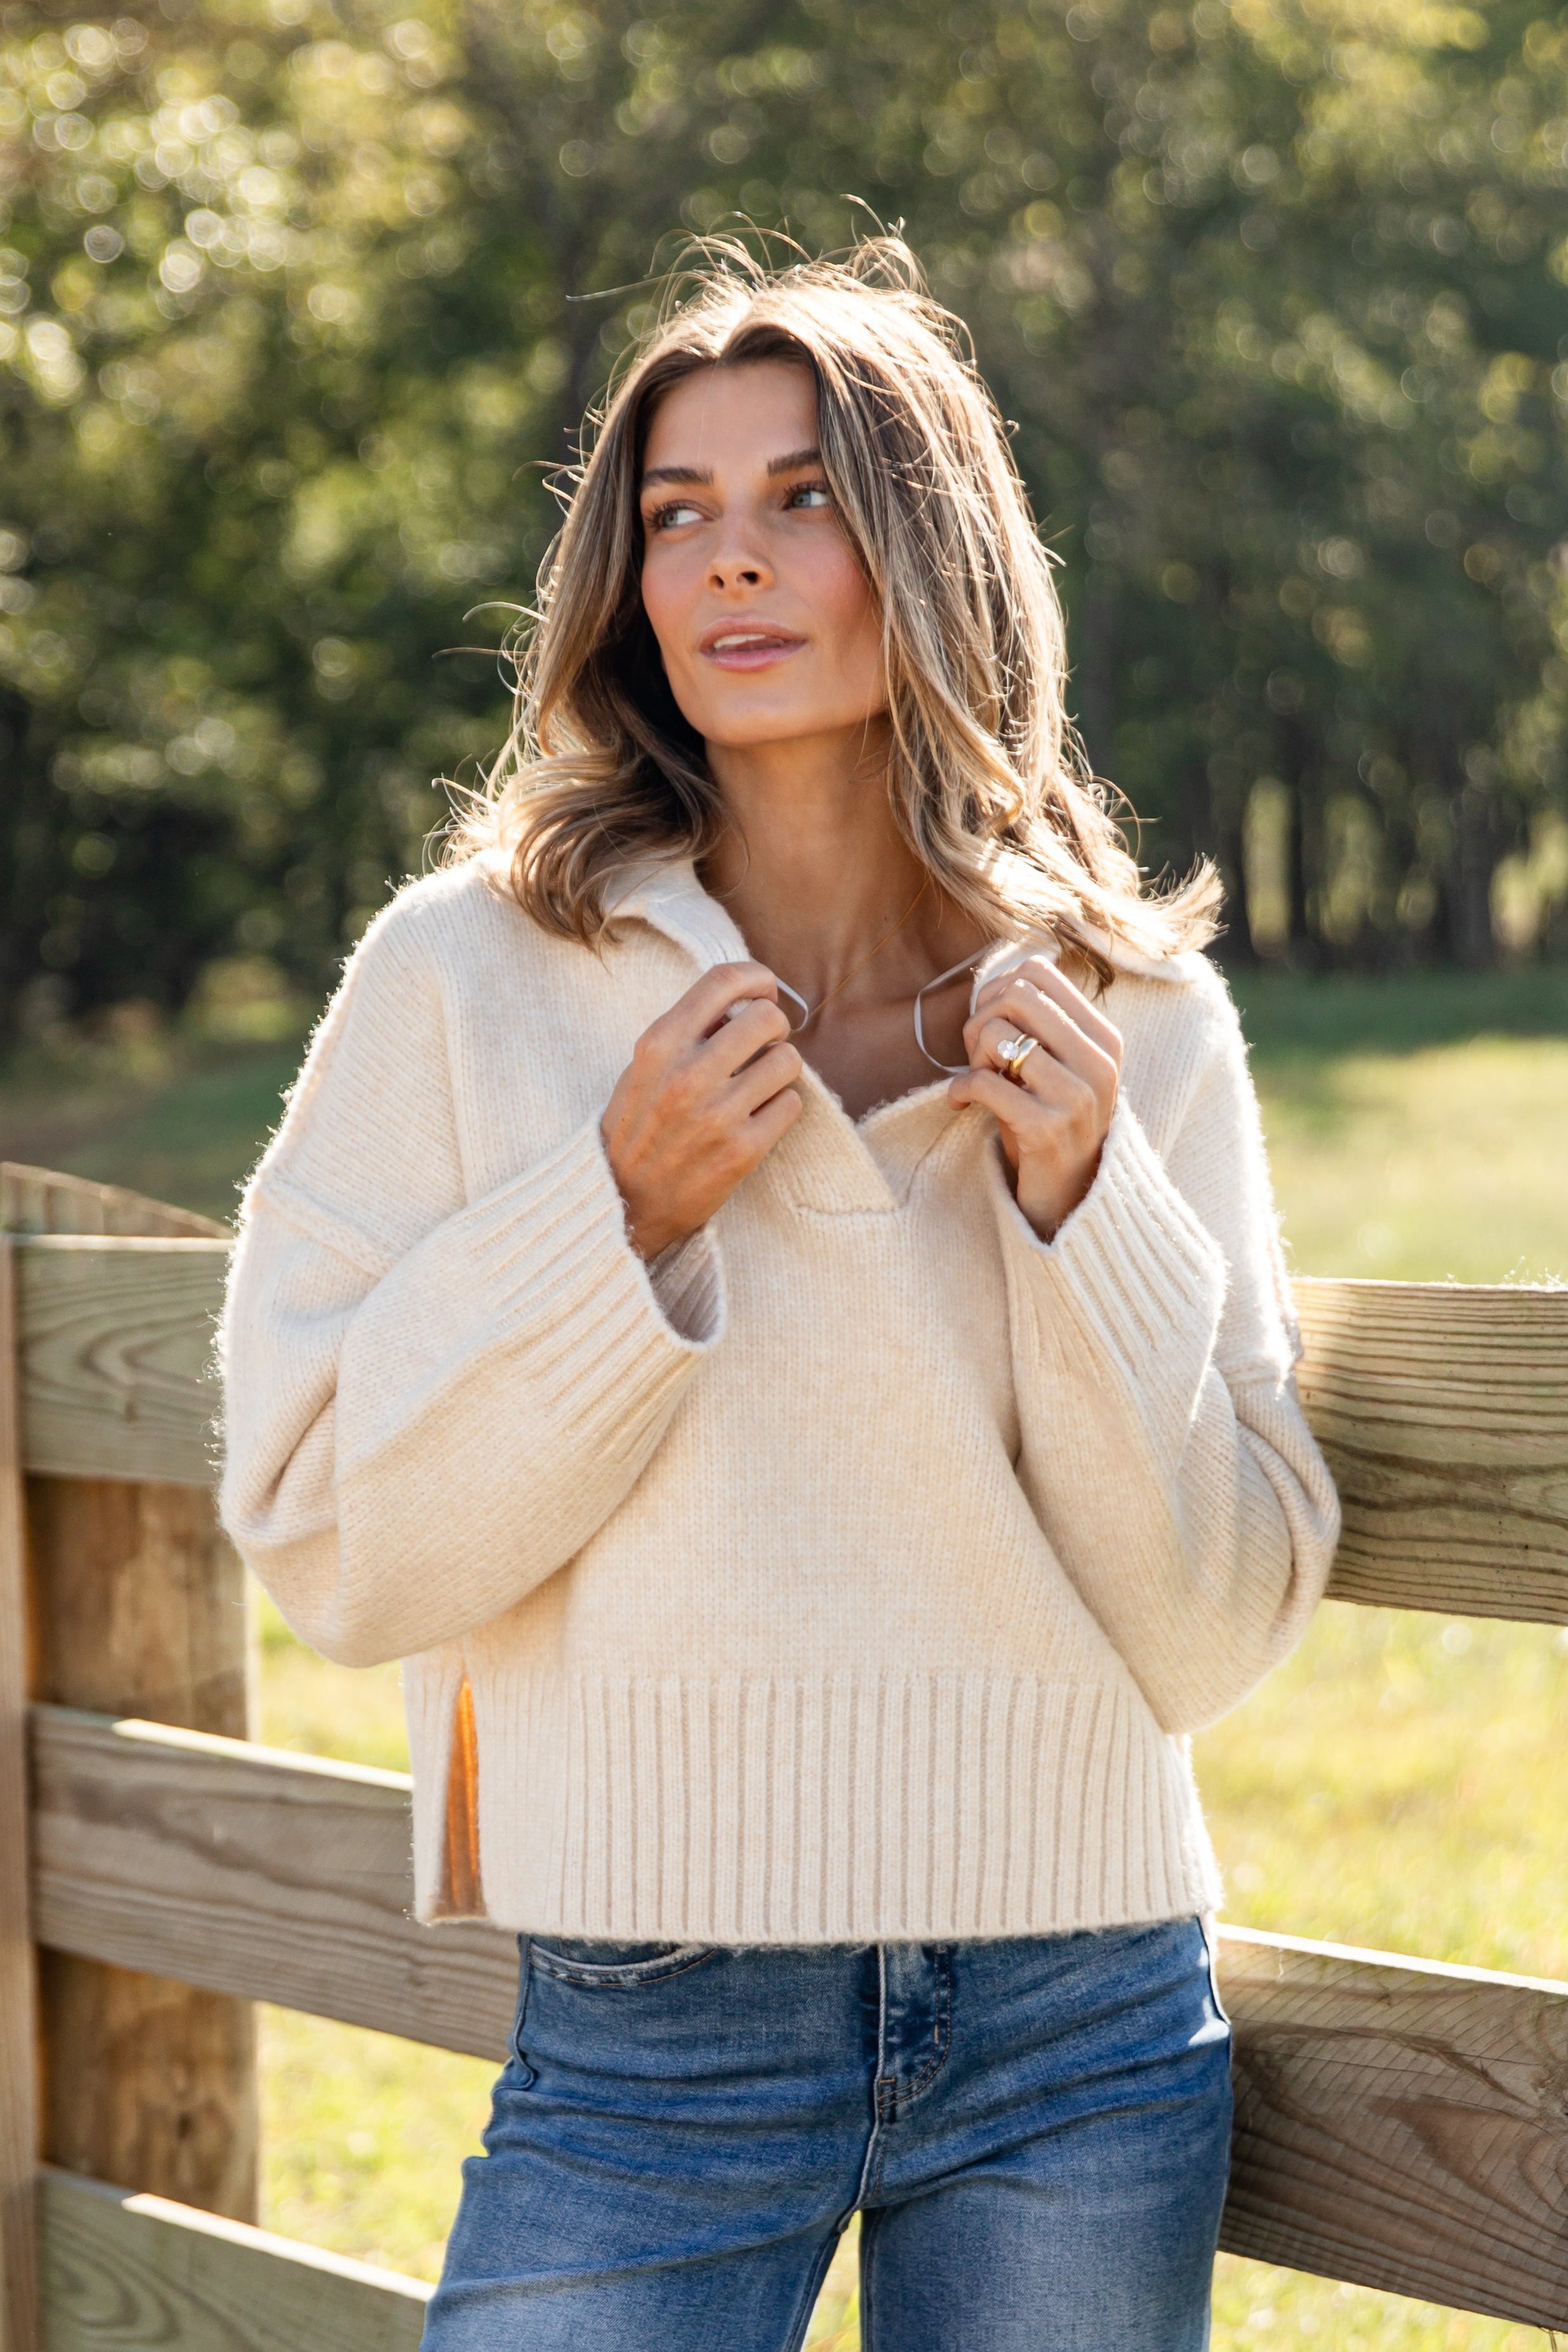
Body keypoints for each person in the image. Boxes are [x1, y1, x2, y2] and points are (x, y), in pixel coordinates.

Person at [218, 239, 1340, 2352]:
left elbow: (1211, 1629)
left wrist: (1083, 1201)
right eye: (675, 514)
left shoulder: (1138, 1023)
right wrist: (614, 1213)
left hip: (1078, 2009)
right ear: (621, 583)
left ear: (936, 549)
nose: (729, 560)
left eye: (803, 496)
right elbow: (327, 1543)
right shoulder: (463, 983)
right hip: (650, 2014)